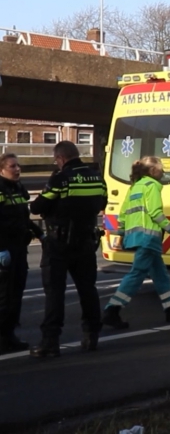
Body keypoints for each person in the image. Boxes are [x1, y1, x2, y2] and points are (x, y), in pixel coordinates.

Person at [29, 141, 108, 357]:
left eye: (57, 160)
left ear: (61, 158)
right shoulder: (97, 177)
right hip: (86, 242)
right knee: (88, 290)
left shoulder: (60, 178)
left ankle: (50, 342)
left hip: (59, 243)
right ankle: (92, 335)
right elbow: (102, 202)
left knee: (55, 292)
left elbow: (37, 207)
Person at [102, 156, 170, 330]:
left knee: (160, 274)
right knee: (137, 274)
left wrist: (121, 233)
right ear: (153, 171)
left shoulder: (135, 187)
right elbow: (155, 213)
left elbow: (124, 214)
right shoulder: (152, 186)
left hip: (137, 238)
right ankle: (112, 310)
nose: (164, 172)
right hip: (148, 238)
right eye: (161, 169)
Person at [0, 153, 44, 352]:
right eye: (12, 166)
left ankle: (9, 335)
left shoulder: (17, 188)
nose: (17, 169)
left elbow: (23, 218)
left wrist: (40, 234)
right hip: (4, 249)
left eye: (18, 166)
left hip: (18, 249)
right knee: (3, 295)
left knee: (16, 293)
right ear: (1, 169)